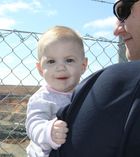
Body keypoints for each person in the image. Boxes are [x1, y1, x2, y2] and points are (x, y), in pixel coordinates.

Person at [49, 0, 140, 157]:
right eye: (51, 61)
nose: (116, 30)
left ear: (84, 64)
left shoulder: (119, 83)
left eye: (123, 11)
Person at [25, 25, 88, 157]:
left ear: (83, 66)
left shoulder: (86, 94)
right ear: (40, 69)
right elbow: (33, 125)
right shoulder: (42, 98)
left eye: (69, 60)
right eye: (51, 61)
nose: (60, 67)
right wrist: (48, 132)